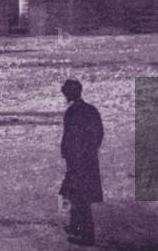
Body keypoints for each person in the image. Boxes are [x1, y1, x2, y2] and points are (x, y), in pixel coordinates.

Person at [59, 79, 104, 247]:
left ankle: (86, 235)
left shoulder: (72, 113)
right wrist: (90, 151)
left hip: (77, 162)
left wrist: (71, 156)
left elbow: (69, 139)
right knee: (76, 195)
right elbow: (99, 134)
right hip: (88, 160)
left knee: (78, 198)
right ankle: (75, 227)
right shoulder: (91, 110)